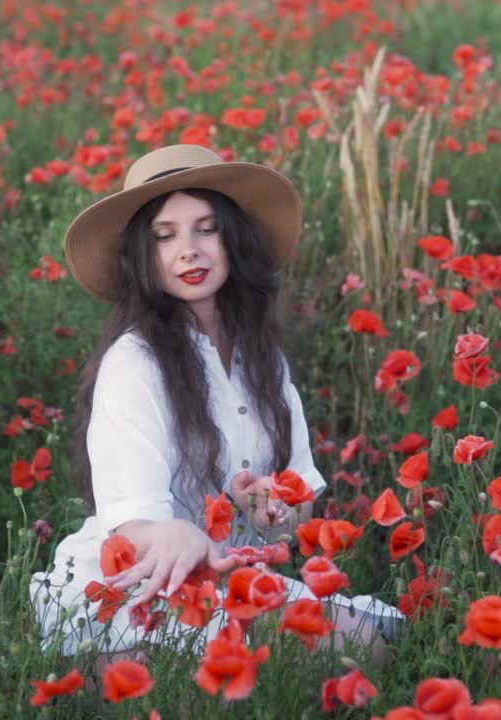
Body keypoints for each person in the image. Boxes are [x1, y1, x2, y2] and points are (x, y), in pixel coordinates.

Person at [29, 144, 403, 671]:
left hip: (229, 581)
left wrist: (273, 507)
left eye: (206, 229)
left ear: (233, 239)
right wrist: (174, 532)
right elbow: (132, 522)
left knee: (374, 645)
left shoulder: (262, 359)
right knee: (320, 661)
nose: (189, 251)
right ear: (143, 255)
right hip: (136, 588)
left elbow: (298, 504)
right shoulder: (134, 362)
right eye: (165, 236)